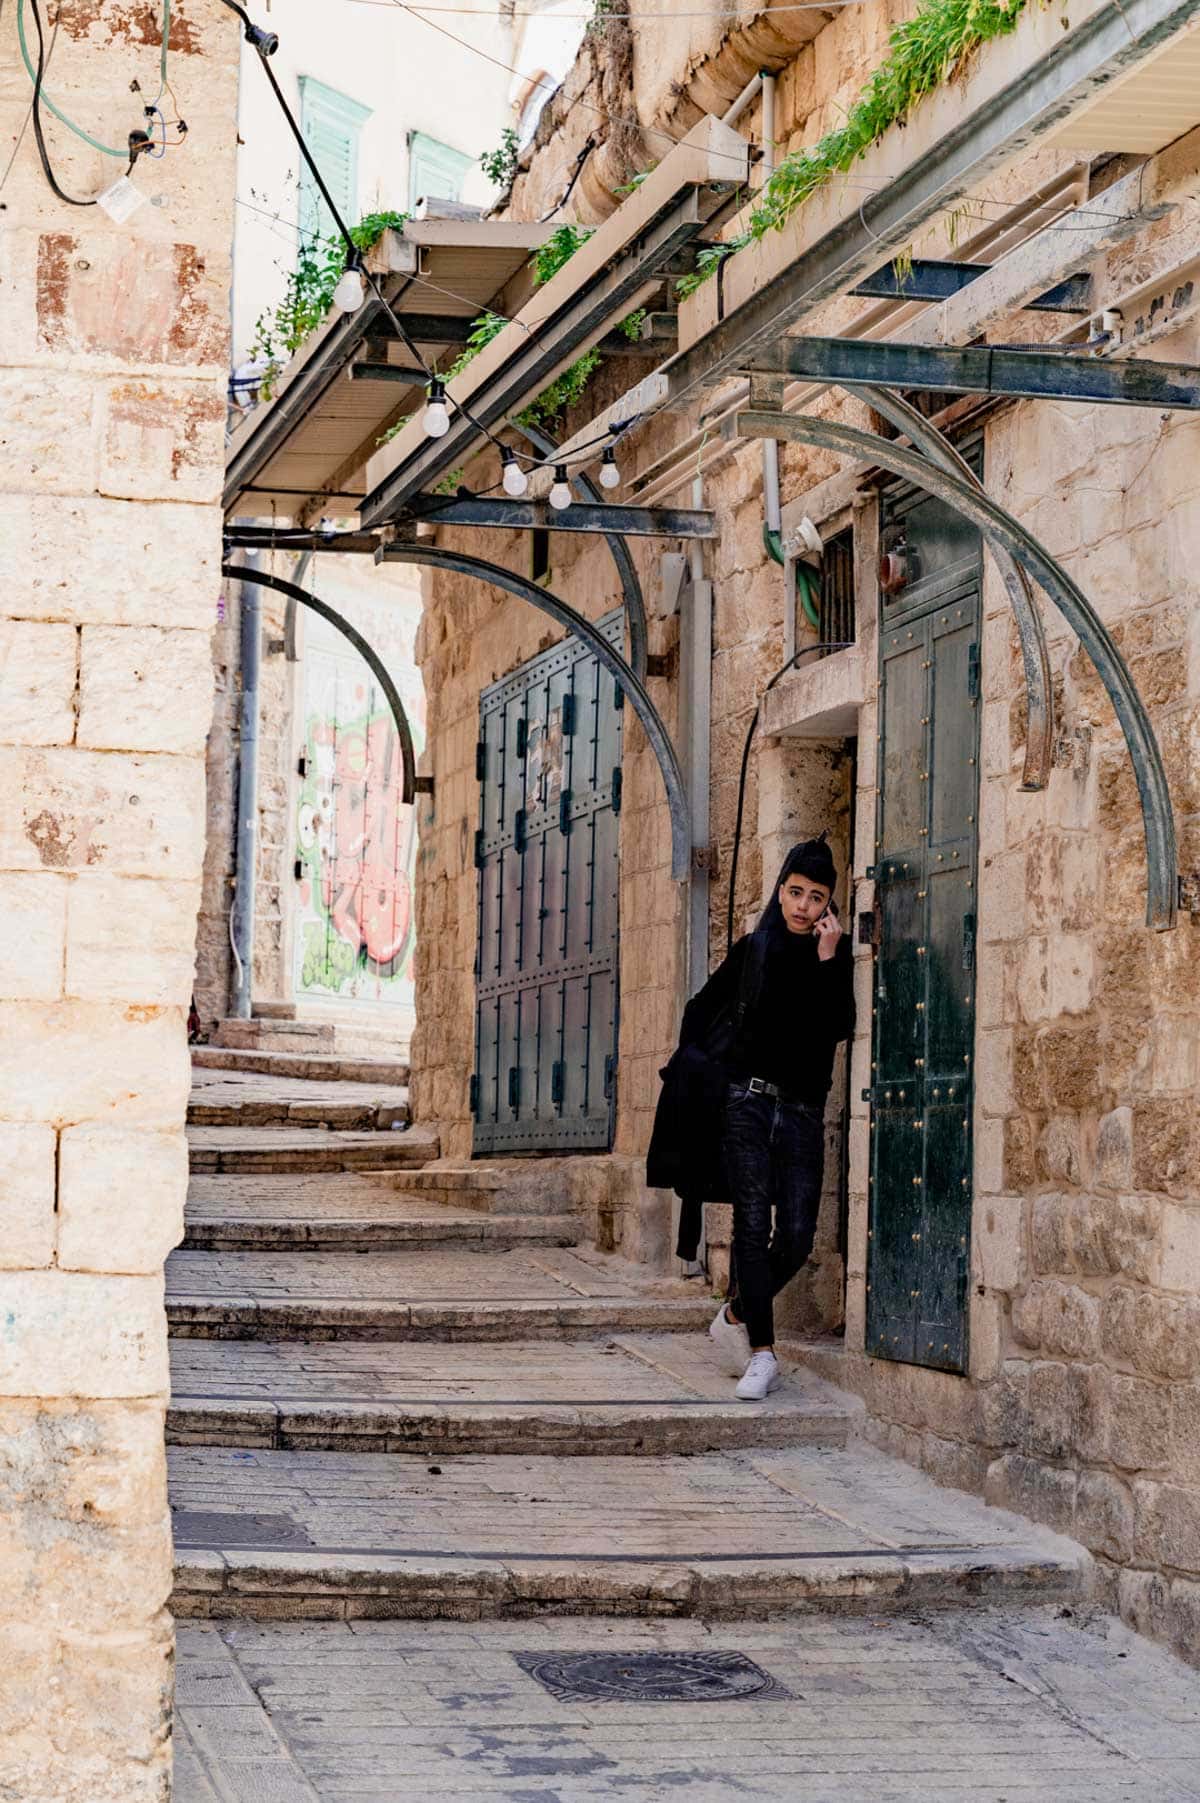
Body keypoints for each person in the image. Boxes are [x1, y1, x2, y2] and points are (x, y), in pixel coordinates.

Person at [647, 836, 854, 1401]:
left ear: (828, 905)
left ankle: (736, 1313)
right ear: (780, 890)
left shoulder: (833, 957)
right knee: (751, 1227)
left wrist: (828, 959)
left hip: (803, 1112)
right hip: (747, 1105)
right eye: (795, 892)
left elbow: (838, 1026)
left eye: (815, 897)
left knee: (798, 1236)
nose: (803, 906)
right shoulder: (754, 950)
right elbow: (699, 1010)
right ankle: (762, 1353)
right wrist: (706, 1074)